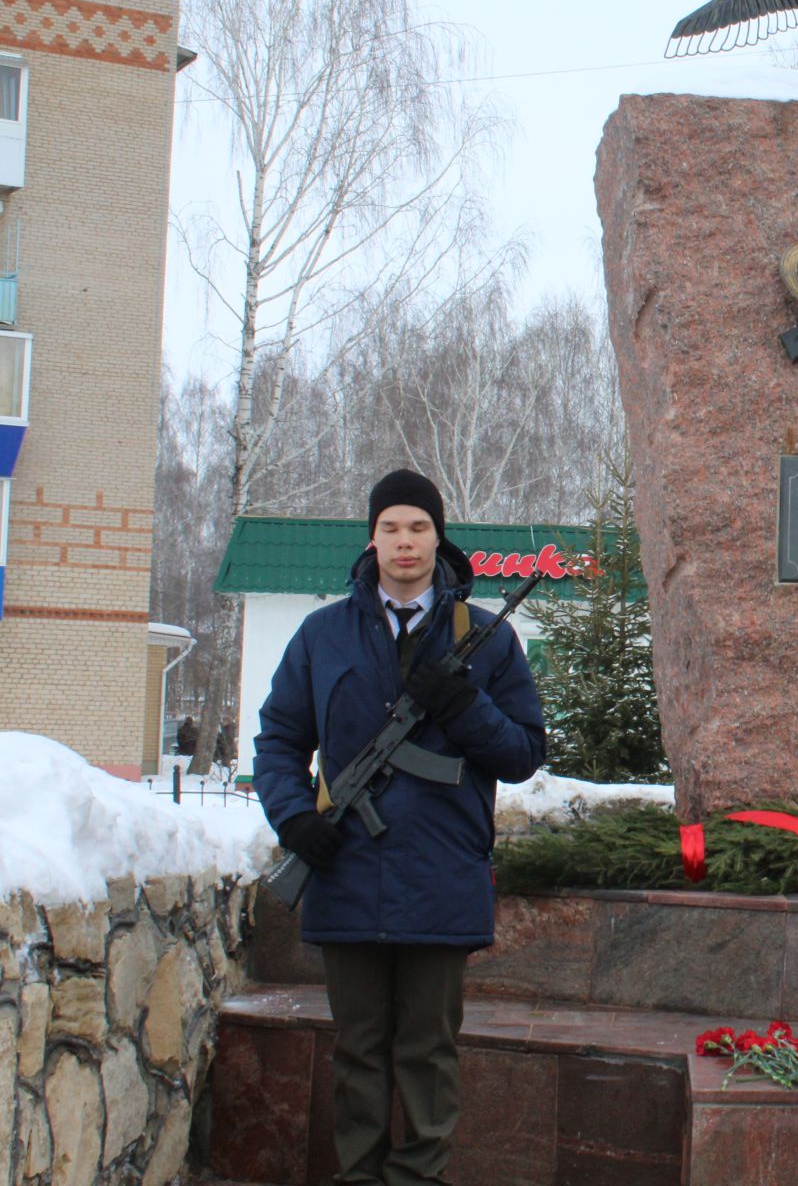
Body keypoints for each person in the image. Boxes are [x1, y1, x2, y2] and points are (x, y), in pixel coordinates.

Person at [253, 469, 546, 1186]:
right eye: (391, 528)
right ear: (372, 537)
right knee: (357, 1052)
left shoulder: (484, 641)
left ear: (438, 537)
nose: (405, 542)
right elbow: (279, 739)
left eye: (418, 527)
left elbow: (523, 753)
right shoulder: (323, 635)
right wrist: (295, 818)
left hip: (440, 877)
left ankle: (416, 1177)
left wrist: (461, 706)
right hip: (346, 870)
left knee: (426, 1052)